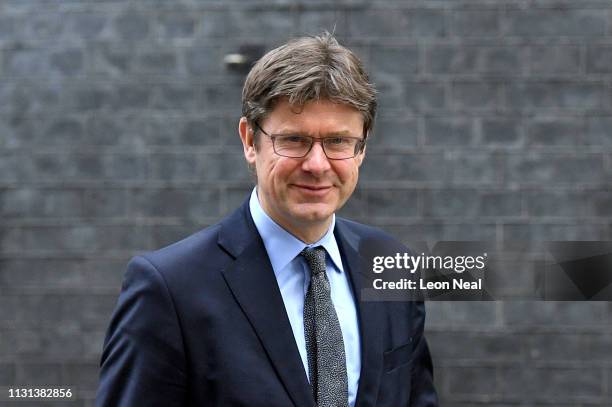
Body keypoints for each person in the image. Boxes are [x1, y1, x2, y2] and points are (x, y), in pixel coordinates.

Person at [96, 33, 438, 407]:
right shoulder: (170, 289)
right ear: (249, 141)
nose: (317, 165)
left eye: (338, 141)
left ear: (362, 148)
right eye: (293, 140)